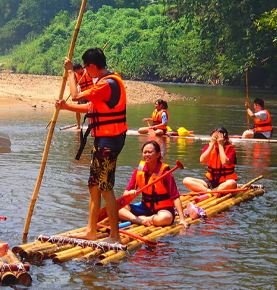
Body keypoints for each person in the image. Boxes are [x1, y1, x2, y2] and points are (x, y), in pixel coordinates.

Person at [54, 47, 127, 244]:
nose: (86, 71)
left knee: (105, 187)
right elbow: (91, 107)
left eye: (86, 68)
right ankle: (91, 231)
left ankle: (114, 236)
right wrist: (66, 106)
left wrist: (70, 71)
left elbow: (77, 95)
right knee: (93, 186)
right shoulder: (103, 83)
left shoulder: (107, 84)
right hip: (101, 140)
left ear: (93, 66)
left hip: (110, 141)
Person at [119, 141, 188, 228]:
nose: (147, 154)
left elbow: (175, 197)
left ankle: (143, 219)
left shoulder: (166, 174)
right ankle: (140, 220)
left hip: (163, 210)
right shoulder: (138, 171)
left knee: (165, 218)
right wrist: (129, 194)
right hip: (145, 208)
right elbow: (126, 192)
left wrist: (182, 219)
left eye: (150, 152)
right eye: (145, 152)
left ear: (158, 154)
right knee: (117, 208)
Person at [183, 127, 238, 194]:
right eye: (215, 137)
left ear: (225, 139)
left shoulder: (230, 149)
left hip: (225, 183)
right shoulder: (208, 147)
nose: (216, 140)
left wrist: (220, 145)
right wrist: (212, 144)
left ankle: (212, 191)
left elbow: (224, 162)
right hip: (211, 182)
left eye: (218, 138)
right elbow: (202, 161)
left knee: (232, 183)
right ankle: (211, 192)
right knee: (186, 180)